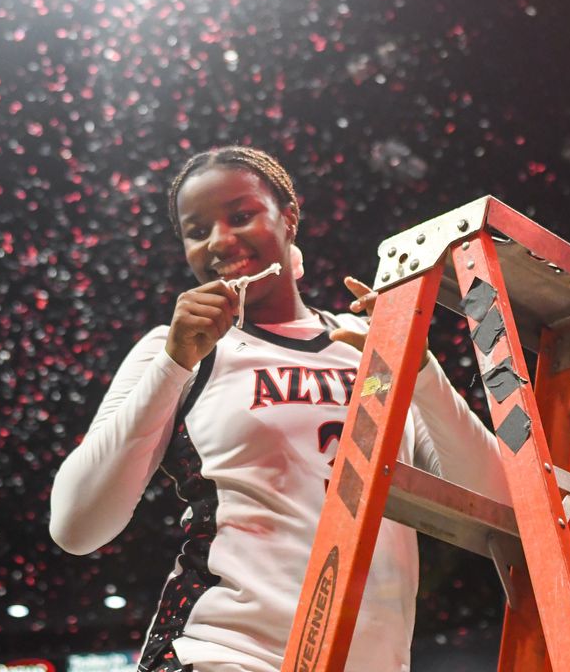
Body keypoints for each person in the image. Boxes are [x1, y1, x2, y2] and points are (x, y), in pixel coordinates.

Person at [50, 147, 508, 672]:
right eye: (196, 231)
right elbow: (75, 526)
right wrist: (173, 363)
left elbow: (495, 504)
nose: (220, 240)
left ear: (289, 216)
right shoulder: (177, 349)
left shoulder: (370, 349)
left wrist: (419, 368)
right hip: (222, 653)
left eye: (240, 216)